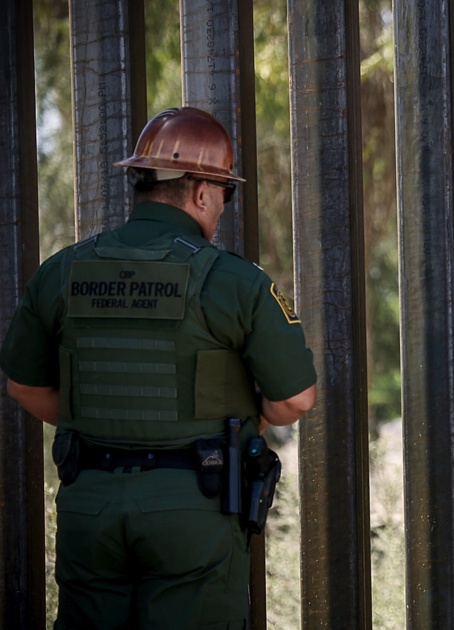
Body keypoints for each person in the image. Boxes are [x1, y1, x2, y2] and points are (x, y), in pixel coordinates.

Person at [0, 106, 317, 628]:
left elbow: (23, 386)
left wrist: (109, 424)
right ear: (201, 192)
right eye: (225, 194)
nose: (222, 208)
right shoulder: (234, 281)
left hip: (89, 504)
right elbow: (294, 401)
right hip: (194, 505)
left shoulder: (61, 271)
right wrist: (247, 422)